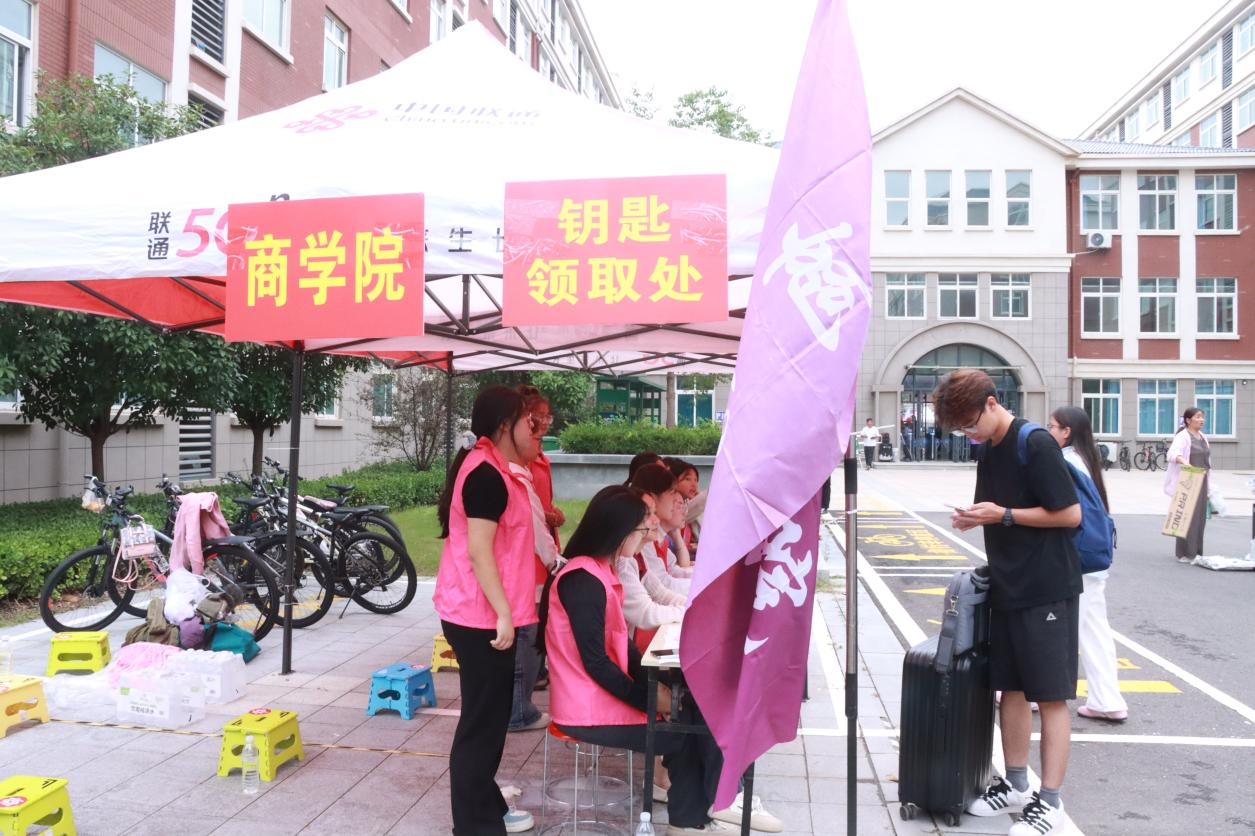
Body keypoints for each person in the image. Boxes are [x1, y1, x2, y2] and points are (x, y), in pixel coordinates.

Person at [934, 370, 1081, 836]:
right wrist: (975, 518)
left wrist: (1005, 515)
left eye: (970, 423)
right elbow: (994, 510)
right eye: (961, 429)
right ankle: (1016, 783)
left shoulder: (1035, 443)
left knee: (1050, 695)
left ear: (993, 403)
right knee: (1010, 688)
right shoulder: (989, 449)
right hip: (1007, 583)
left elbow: (1069, 514)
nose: (969, 433)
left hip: (1047, 587)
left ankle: (1050, 802)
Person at [538, 485, 734, 835]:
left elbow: (622, 647)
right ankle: (702, 813)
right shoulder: (583, 581)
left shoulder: (603, 571)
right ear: (619, 530)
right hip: (584, 710)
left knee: (693, 710)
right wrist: (649, 698)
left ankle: (698, 814)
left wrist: (657, 685)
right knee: (685, 729)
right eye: (642, 528)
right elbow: (597, 664)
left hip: (599, 699)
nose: (646, 535)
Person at [433, 385, 540, 835]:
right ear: (504, 425)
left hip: (484, 614)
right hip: (480, 618)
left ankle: (487, 806)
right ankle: (474, 825)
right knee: (481, 724)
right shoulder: (485, 475)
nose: (536, 430)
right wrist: (503, 614)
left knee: (490, 721)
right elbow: (479, 551)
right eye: (530, 422)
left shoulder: (493, 469)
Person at [1047, 407, 1128, 723]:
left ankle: (1036, 694)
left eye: (1052, 427)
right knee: (1093, 629)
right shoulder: (1086, 460)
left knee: (1053, 626)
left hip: (1073, 560)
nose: (1048, 432)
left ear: (1066, 431)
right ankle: (1107, 700)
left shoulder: (1064, 461)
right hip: (1093, 558)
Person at [506, 385, 562, 733]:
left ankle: (524, 698)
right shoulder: (512, 470)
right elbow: (529, 518)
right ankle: (517, 709)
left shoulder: (535, 461)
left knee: (532, 633)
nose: (543, 423)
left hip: (542, 555)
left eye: (546, 416)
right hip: (527, 563)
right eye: (536, 418)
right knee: (524, 636)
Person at [1164, 407, 1210, 564]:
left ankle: (1196, 552)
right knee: (1186, 516)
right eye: (1198, 417)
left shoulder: (1203, 437)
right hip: (1188, 480)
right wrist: (1184, 461)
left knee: (1200, 517)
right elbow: (1172, 454)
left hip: (1202, 480)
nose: (1202, 420)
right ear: (1188, 420)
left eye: (1202, 417)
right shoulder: (1183, 436)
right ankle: (1184, 553)